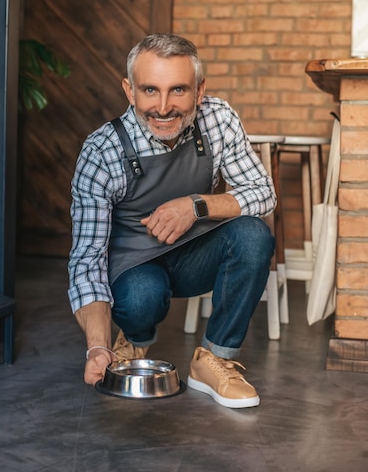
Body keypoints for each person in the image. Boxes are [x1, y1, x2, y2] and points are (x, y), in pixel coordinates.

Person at [68, 33, 276, 408]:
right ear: (130, 91)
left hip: (194, 254)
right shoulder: (102, 152)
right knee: (142, 297)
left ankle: (214, 359)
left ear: (199, 90)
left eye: (178, 90)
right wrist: (95, 346)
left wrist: (196, 206)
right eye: (150, 90)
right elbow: (87, 257)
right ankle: (132, 338)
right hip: (135, 268)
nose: (163, 107)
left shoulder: (217, 117)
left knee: (254, 235)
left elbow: (263, 192)